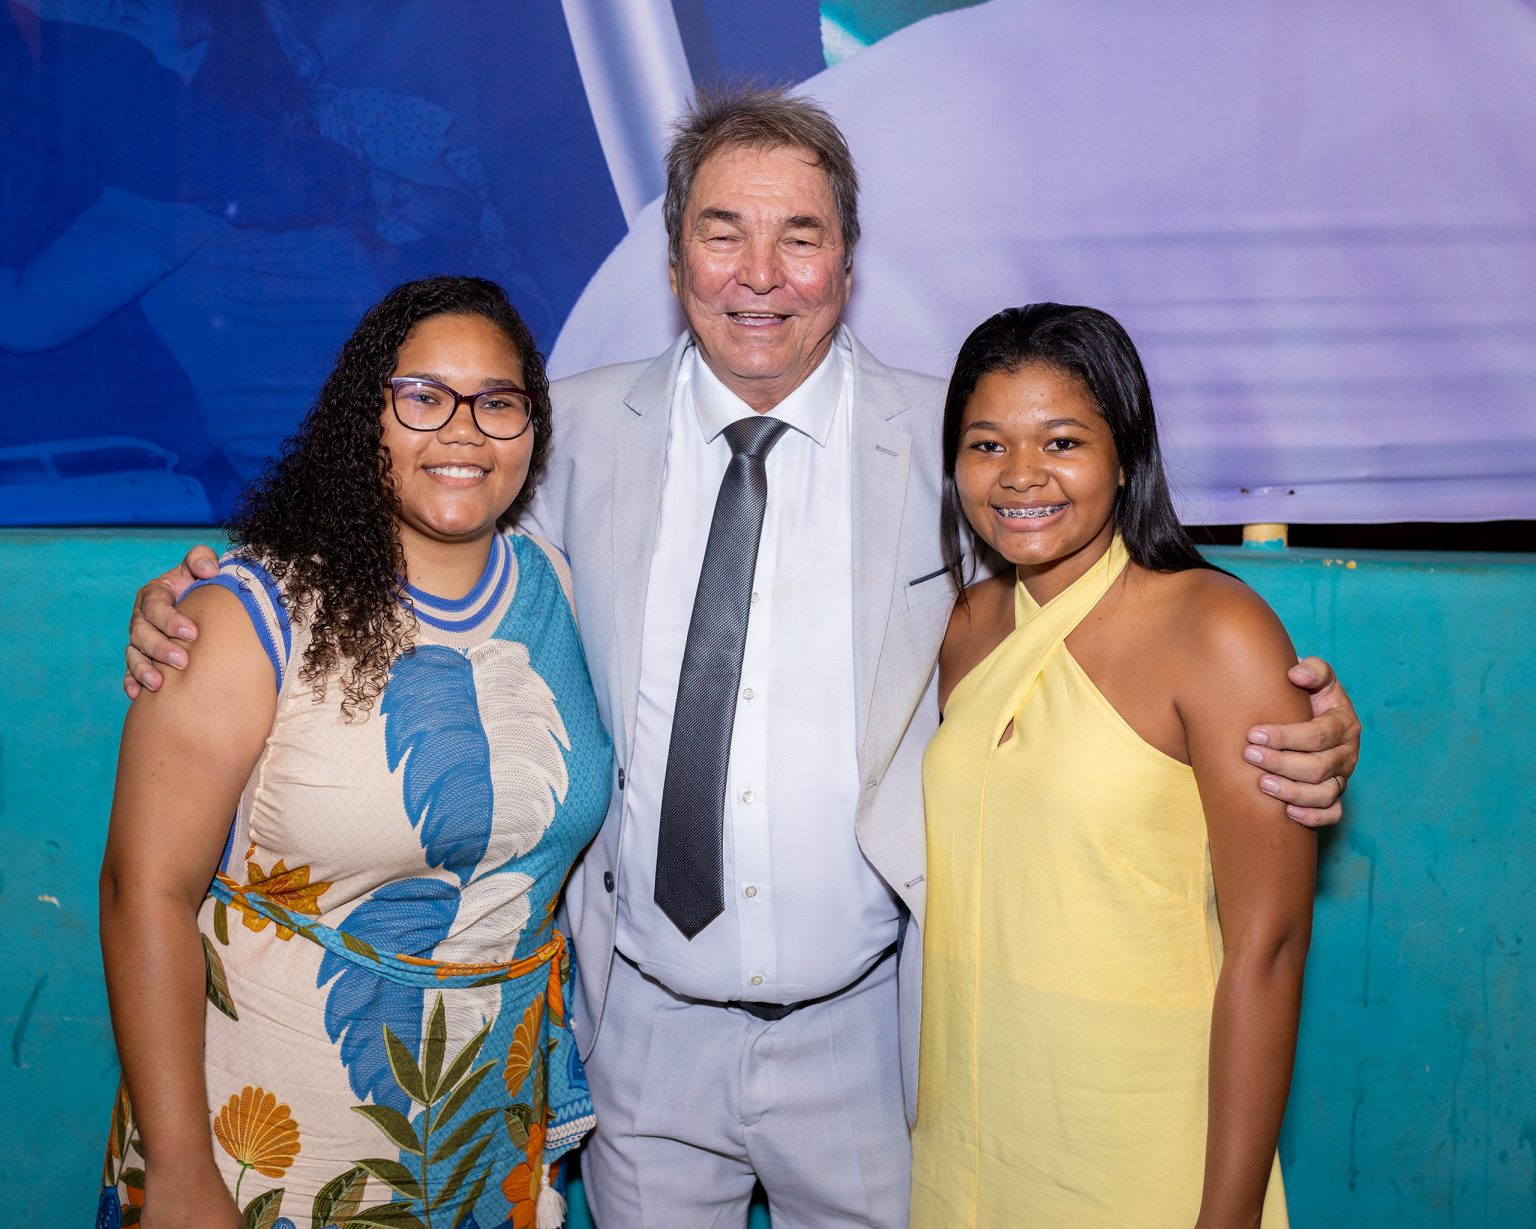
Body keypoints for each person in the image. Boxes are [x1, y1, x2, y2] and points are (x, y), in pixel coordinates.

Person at [124, 86, 1359, 1229]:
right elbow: (406, 537)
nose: (760, 274)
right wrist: (198, 600)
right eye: (723, 233)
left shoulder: (962, 442)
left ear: (848, 264)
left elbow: (1108, 610)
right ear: (674, 262)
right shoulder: (556, 431)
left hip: (871, 1032)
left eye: (799, 236)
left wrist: (1290, 725)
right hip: (637, 1026)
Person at [99, 276, 609, 1229]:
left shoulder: (559, 587)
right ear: (363, 417)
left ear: (532, 429)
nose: (463, 430)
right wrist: (179, 1167)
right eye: (423, 396)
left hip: (487, 1143)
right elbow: (144, 890)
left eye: (497, 402)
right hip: (262, 1148)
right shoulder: (249, 616)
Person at [912, 303, 1317, 1227]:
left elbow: (1269, 946)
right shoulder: (966, 626)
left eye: (1062, 441)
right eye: (986, 445)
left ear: (1126, 455)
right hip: (976, 1133)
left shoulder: (1217, 630)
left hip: (1143, 1133)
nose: (1021, 474)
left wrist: (1227, 1216)